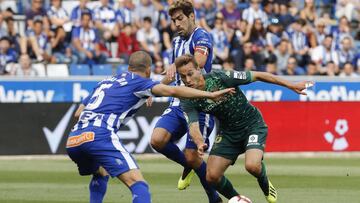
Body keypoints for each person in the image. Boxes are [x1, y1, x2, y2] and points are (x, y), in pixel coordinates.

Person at [67, 51, 233, 203]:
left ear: (128, 67)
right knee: (139, 186)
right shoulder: (140, 82)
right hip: (99, 135)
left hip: (74, 139)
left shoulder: (105, 81)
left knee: (100, 173)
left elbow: (78, 113)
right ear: (148, 69)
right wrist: (210, 94)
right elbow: (174, 91)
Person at [176, 54, 312, 203]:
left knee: (252, 166)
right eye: (183, 77)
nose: (187, 80)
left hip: (252, 124)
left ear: (198, 69)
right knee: (211, 176)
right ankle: (238, 199)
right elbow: (193, 125)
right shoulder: (187, 97)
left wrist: (290, 85)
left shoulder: (221, 77)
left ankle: (265, 183)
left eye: (190, 74)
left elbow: (258, 75)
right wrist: (199, 142)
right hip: (228, 133)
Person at [149, 1, 222, 202]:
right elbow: (173, 75)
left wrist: (175, 63)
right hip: (178, 101)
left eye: (180, 19)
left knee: (193, 156)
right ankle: (188, 166)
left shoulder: (202, 36)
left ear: (192, 16)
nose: (177, 24)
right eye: (173, 20)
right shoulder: (175, 41)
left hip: (199, 104)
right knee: (157, 140)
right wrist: (152, 91)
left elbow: (196, 62)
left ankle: (213, 196)